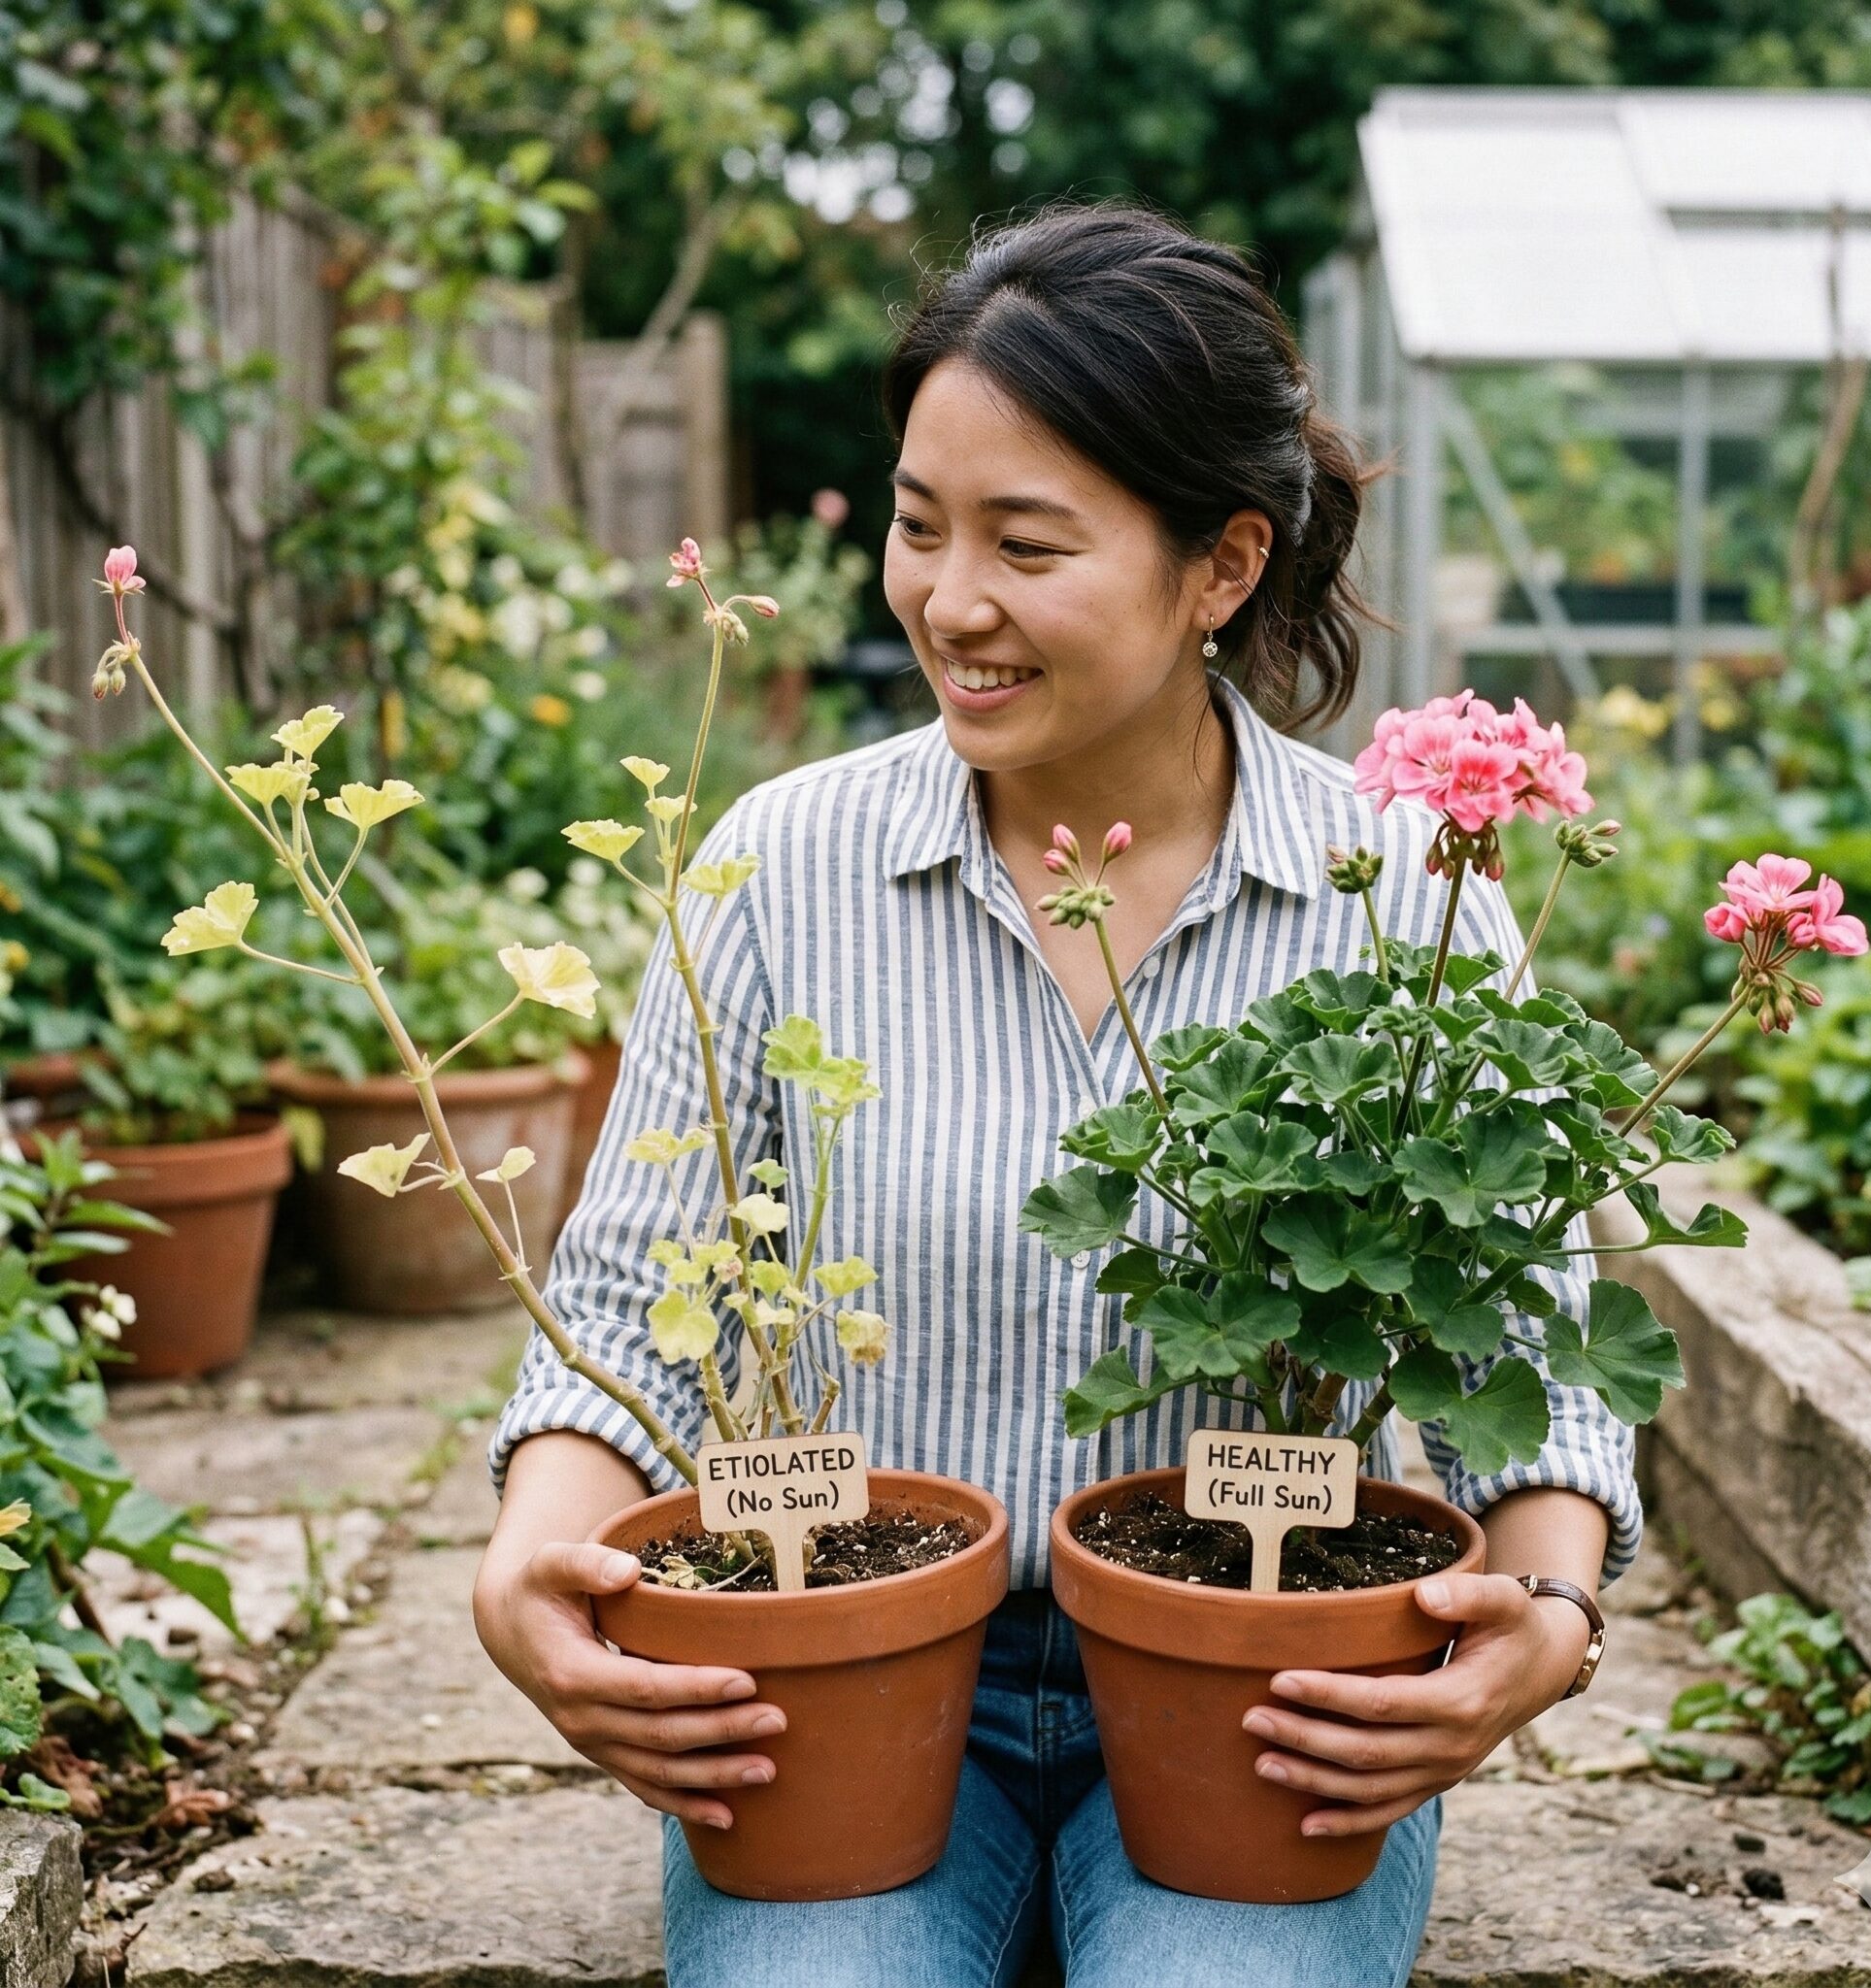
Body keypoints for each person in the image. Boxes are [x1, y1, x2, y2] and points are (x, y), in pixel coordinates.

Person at [473, 197, 1639, 1988]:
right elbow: (627, 1297)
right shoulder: (785, 861)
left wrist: (1540, 1621)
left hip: (1267, 1680)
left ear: (1222, 568)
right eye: (922, 529)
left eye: (1027, 543)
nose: (951, 603)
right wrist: (529, 1568)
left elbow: (1532, 1367)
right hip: (835, 1659)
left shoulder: (1404, 891)